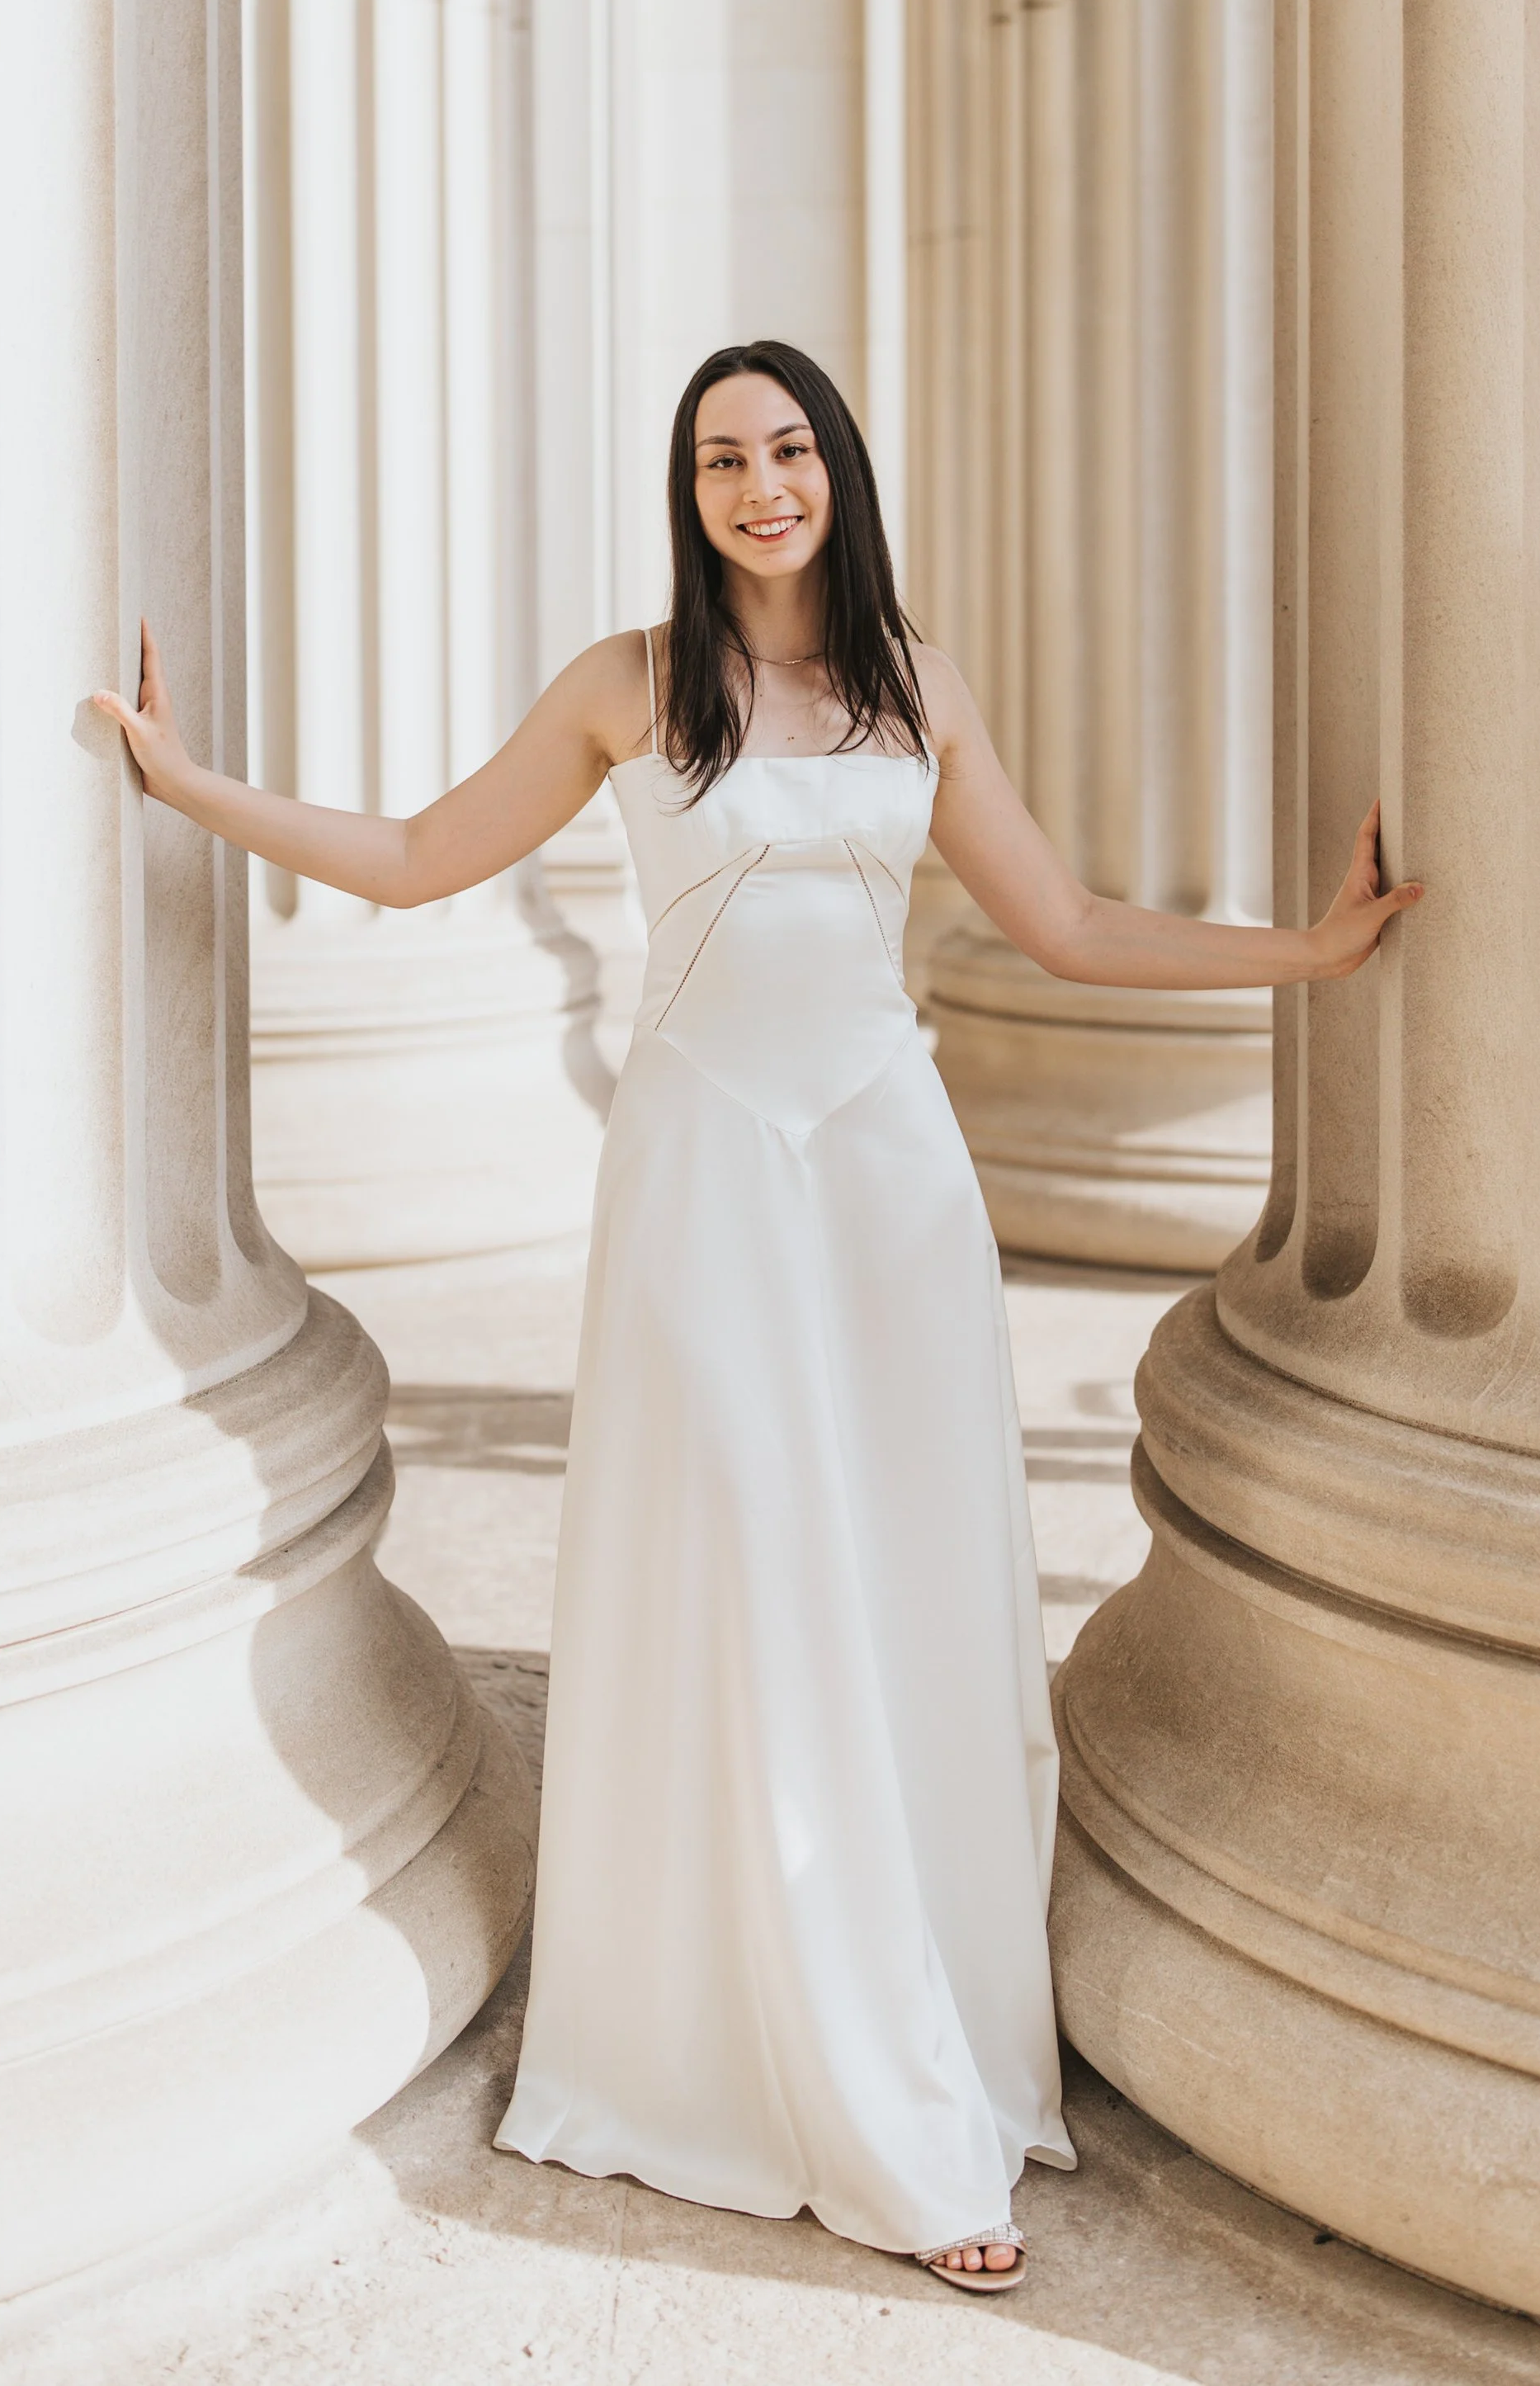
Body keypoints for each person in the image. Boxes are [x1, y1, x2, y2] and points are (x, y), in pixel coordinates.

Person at [95, 338, 1420, 2297]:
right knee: (749, 1575)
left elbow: (1063, 928)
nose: (757, 483)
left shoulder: (915, 685)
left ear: (833, 468)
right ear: (687, 487)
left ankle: (923, 2035)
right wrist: (185, 783)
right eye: (720, 456)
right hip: (706, 1186)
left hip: (890, 1188)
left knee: (893, 1595)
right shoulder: (629, 686)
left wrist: (1301, 952)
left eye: (785, 446)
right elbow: (405, 862)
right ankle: (824, 2085)